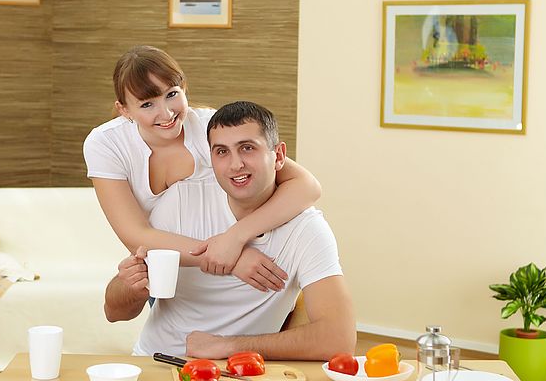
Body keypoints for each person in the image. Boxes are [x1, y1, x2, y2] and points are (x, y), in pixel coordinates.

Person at [103, 101, 356, 360]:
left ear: (278, 156)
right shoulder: (180, 203)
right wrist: (130, 286)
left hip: (239, 372)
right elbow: (114, 312)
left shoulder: (306, 231)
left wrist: (229, 346)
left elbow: (339, 339)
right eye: (222, 152)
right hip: (156, 360)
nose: (236, 165)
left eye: (247, 148)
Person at [84, 46, 322, 292]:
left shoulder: (209, 126)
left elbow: (307, 186)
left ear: (184, 87)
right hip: (166, 264)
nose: (166, 113)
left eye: (171, 94)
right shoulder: (106, 144)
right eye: (147, 105)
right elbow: (135, 235)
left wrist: (235, 239)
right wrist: (229, 258)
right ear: (124, 109)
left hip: (230, 258)